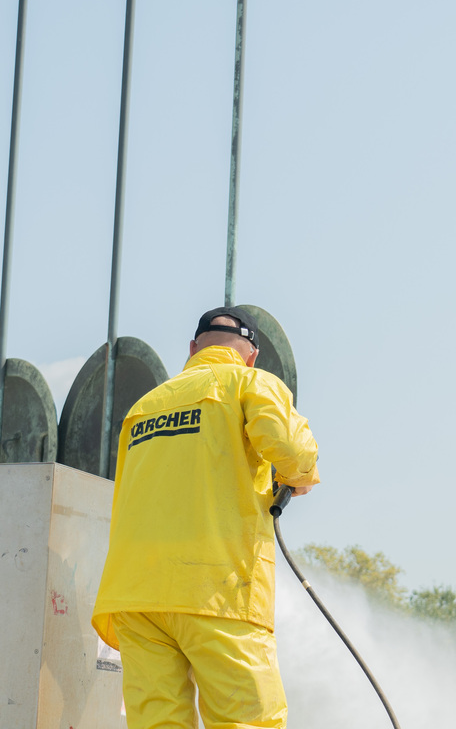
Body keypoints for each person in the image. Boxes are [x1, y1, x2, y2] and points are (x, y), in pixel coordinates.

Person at [91, 307, 320, 729]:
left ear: (193, 350)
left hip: (135, 597)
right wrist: (298, 476)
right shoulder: (250, 381)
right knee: (245, 721)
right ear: (251, 356)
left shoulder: (144, 406)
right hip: (216, 588)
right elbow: (290, 447)